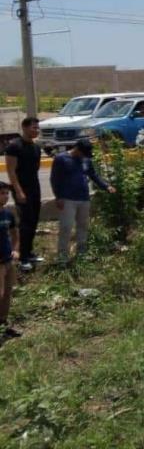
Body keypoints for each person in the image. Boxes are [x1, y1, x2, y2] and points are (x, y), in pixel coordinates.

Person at [50, 139, 116, 264]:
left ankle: (81, 254)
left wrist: (106, 186)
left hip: (84, 198)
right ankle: (62, 257)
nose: (85, 156)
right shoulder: (61, 159)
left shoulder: (86, 159)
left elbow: (93, 175)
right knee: (66, 227)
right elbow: (54, 179)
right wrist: (58, 197)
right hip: (67, 199)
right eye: (83, 153)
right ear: (77, 149)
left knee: (83, 226)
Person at [4, 117, 42, 272]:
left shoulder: (36, 147)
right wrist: (18, 190)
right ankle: (22, 257)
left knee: (33, 220)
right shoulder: (14, 146)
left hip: (35, 187)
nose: (36, 130)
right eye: (34, 128)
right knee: (25, 223)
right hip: (21, 188)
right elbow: (11, 171)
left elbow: (36, 169)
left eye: (37, 128)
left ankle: (29, 252)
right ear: (24, 128)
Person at [0, 182, 19, 340]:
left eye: (7, 193)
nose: (5, 196)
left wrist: (15, 250)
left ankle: (3, 324)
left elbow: (14, 234)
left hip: (8, 261)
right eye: (2, 193)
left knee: (7, 293)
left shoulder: (8, 214)